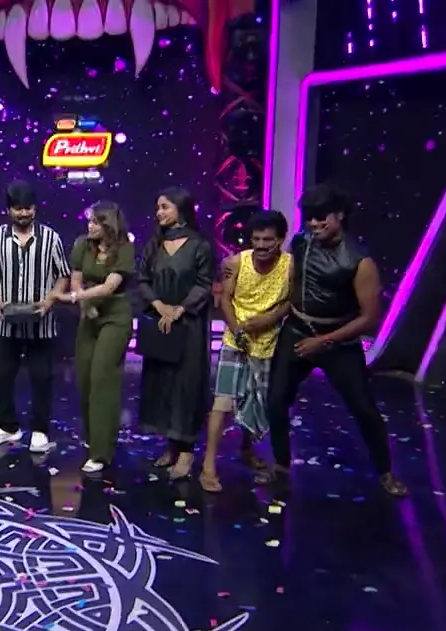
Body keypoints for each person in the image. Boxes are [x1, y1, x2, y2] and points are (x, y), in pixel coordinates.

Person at [264, 184, 406, 497]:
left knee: (364, 408)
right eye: (309, 218)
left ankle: (385, 472)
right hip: (297, 332)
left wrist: (324, 341)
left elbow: (369, 318)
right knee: (275, 401)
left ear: (339, 215)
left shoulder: (359, 260)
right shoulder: (301, 242)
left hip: (338, 342)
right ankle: (281, 465)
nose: (314, 224)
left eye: (321, 217)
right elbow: (294, 284)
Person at [198, 209, 292, 492]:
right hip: (235, 340)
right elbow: (225, 299)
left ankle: (247, 449)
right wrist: (237, 329)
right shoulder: (235, 263)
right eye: (256, 239)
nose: (261, 245)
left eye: (268, 240)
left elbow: (292, 301)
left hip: (269, 343)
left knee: (256, 402)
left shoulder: (291, 266)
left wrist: (269, 319)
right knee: (223, 402)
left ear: (281, 239)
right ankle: (208, 466)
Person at [0, 180, 71, 452]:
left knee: (42, 376)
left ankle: (40, 430)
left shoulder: (51, 238)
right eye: (18, 209)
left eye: (28, 208)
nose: (24, 213)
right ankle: (7, 426)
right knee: (3, 375)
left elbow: (63, 274)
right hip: (7, 322)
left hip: (41, 322)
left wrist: (51, 299)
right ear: (9, 210)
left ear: (35, 209)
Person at [137, 187, 215, 480]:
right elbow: (143, 280)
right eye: (158, 207)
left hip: (188, 324)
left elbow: (204, 284)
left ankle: (186, 451)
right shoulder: (154, 245)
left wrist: (179, 310)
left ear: (181, 209)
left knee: (186, 385)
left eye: (165, 207)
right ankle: (171, 445)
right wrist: (160, 307)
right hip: (160, 322)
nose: (159, 213)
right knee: (163, 383)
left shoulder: (199, 246)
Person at [59, 201, 136, 474]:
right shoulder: (82, 244)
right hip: (88, 315)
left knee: (103, 377)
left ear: (108, 224)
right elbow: (76, 279)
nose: (89, 225)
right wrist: (83, 303)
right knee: (85, 379)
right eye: (89, 220)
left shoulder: (124, 248)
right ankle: (95, 439)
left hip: (115, 316)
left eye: (95, 221)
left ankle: (101, 452)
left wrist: (75, 298)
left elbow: (109, 287)